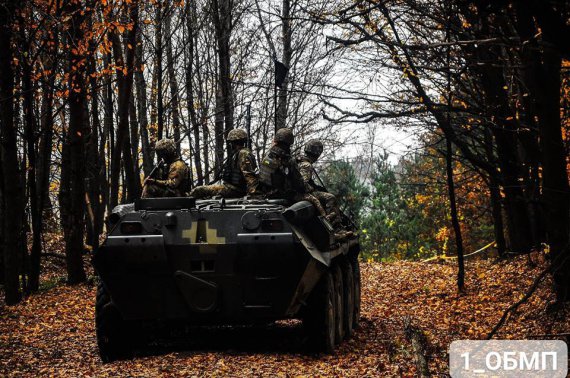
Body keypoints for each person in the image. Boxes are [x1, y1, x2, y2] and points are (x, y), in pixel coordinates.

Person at [259, 128, 327, 217]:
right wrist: (311, 189)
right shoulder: (287, 160)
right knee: (315, 200)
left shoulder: (267, 156)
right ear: (289, 143)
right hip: (283, 195)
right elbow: (299, 184)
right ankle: (329, 225)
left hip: (265, 194)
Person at [189, 128, 259, 199]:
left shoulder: (243, 154)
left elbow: (249, 176)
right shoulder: (238, 153)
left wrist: (252, 194)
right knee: (204, 189)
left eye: (231, 142)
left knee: (198, 190)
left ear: (234, 142)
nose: (230, 144)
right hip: (231, 187)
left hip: (234, 189)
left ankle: (184, 202)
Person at [297, 139, 342, 227]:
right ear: (317, 154)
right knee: (330, 197)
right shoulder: (306, 165)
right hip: (301, 194)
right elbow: (302, 184)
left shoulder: (298, 160)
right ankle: (334, 227)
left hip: (296, 192)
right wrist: (311, 190)